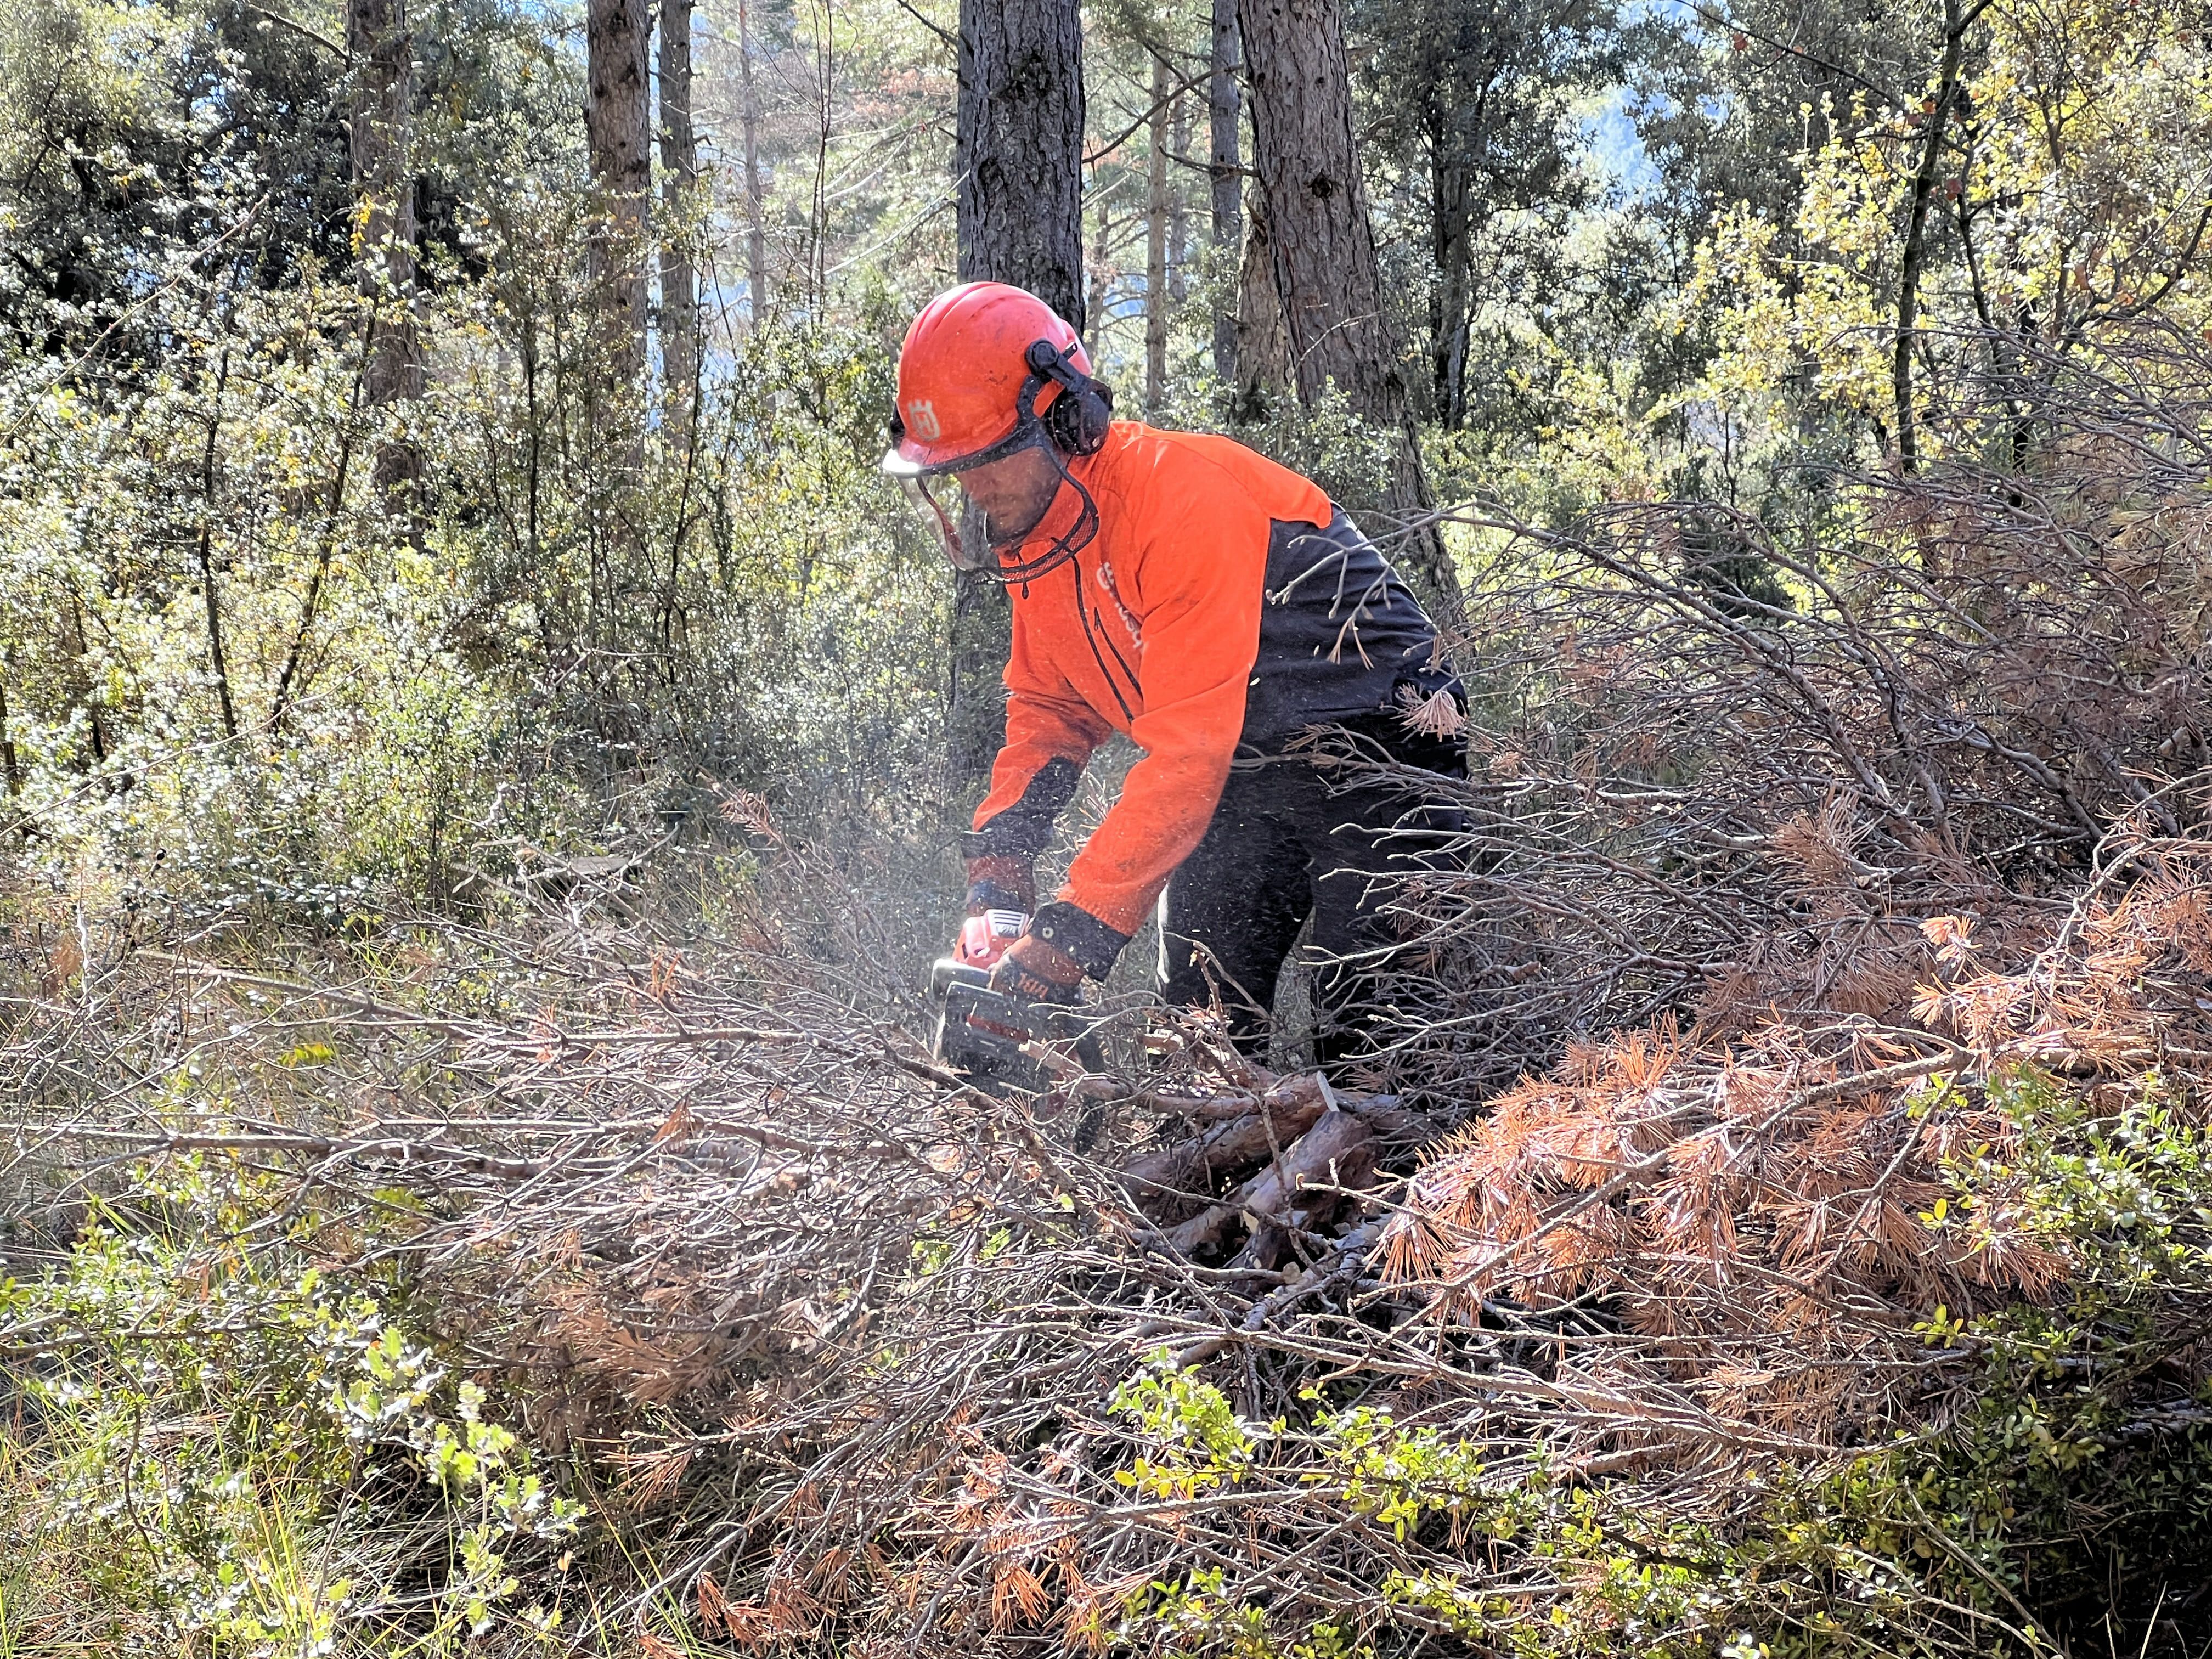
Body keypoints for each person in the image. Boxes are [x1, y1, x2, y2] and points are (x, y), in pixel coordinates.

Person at [886, 280, 1464, 1070]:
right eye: (956, 470)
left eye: (988, 459)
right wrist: (1002, 859)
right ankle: (1208, 1176)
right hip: (1247, 763)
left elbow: (1186, 756)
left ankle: (1411, 1175)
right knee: (1198, 1031)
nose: (975, 490)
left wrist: (1068, 939)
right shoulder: (1042, 536)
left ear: (1064, 416)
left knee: (1376, 1033)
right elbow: (1051, 705)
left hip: (1383, 745)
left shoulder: (1178, 499)